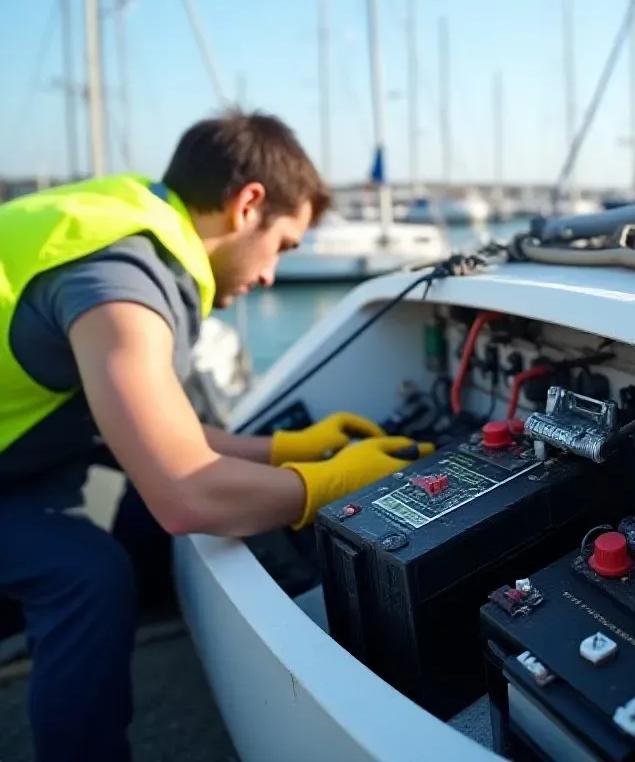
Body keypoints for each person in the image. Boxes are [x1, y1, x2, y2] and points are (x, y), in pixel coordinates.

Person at [0, 110, 433, 762]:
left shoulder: (121, 217)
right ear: (248, 205)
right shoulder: (121, 283)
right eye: (283, 246)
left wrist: (288, 450)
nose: (269, 278)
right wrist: (336, 482)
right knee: (85, 577)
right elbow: (186, 494)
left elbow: (158, 428)